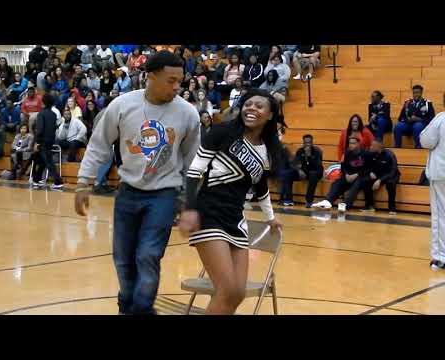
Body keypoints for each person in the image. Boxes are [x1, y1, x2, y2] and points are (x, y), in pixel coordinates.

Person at [75, 51, 200, 315]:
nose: (177, 86)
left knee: (148, 256)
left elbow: (193, 163)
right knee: (123, 260)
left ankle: (141, 309)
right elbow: (99, 145)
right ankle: (128, 307)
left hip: (164, 195)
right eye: (171, 80)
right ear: (150, 76)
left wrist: (189, 205)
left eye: (180, 80)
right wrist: (83, 182)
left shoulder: (188, 113)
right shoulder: (122, 105)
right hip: (128, 193)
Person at [179, 88, 283, 315]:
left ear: (271, 114)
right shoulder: (221, 132)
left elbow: (261, 187)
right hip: (209, 215)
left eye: (259, 106)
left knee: (237, 293)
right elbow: (194, 173)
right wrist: (189, 208)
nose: (252, 108)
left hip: (236, 220)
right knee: (226, 290)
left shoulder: (267, 151)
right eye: (248, 104)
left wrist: (271, 218)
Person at [312, 137, 373, 212]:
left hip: (361, 176)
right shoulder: (347, 152)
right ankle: (328, 201)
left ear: (358, 144)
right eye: (350, 143)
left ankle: (345, 205)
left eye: (353, 143)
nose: (351, 145)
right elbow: (343, 166)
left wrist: (357, 174)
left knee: (357, 184)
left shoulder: (366, 154)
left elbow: (368, 168)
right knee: (337, 182)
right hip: (349, 175)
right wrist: (346, 174)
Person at [420, 112, 445, 270]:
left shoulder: (441, 118)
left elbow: (425, 140)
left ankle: (440, 256)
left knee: (440, 215)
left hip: (442, 174)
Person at [279, 134, 323, 207]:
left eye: (309, 142)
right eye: (306, 143)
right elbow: (295, 164)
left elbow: (316, 166)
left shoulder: (317, 151)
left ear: (312, 143)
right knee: (287, 174)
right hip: (304, 172)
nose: (307, 144)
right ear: (303, 143)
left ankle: (309, 200)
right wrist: (299, 170)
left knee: (313, 174)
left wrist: (309, 156)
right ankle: (289, 199)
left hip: (316, 172)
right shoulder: (300, 151)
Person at [31, 93, 64, 189]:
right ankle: (36, 179)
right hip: (51, 140)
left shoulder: (41, 114)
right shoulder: (53, 114)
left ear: (43, 102)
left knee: (49, 162)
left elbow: (40, 130)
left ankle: (58, 181)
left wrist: (37, 142)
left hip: (43, 141)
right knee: (43, 161)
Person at [368, 139, 400, 214]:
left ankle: (392, 208)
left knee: (390, 184)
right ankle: (370, 206)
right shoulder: (372, 154)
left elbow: (393, 170)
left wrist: (380, 180)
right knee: (366, 181)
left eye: (372, 146)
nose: (370, 147)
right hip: (379, 175)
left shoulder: (389, 154)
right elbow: (369, 166)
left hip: (392, 175)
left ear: (378, 147)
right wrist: (371, 172)